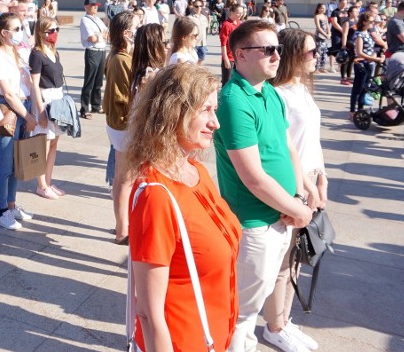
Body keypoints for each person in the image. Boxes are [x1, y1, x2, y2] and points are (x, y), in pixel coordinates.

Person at [213, 20, 316, 352]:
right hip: (254, 223)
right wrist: (296, 208)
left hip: (280, 214)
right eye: (268, 49)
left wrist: (301, 193)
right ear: (240, 55)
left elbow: (287, 147)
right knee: (241, 313)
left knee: (256, 303)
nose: (276, 56)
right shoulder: (233, 100)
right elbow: (253, 177)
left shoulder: (269, 91)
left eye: (278, 49)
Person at [128, 62, 242, 352]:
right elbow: (149, 314)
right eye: (205, 110)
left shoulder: (196, 171)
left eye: (214, 110)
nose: (215, 122)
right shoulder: (156, 196)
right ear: (173, 111)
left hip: (214, 335)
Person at [266, 28, 328, 352]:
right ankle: (275, 326)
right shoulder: (279, 95)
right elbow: (282, 150)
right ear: (291, 54)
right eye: (310, 52)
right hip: (293, 187)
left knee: (296, 259)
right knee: (283, 263)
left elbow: (312, 139)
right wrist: (302, 188)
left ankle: (283, 321)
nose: (316, 56)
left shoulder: (301, 88)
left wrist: (322, 176)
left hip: (310, 183)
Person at [0, 12, 37, 230]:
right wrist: (27, 117)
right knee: (6, 163)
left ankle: (11, 204)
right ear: (4, 33)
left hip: (23, 106)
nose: (20, 32)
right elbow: (7, 93)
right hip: (9, 111)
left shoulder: (16, 53)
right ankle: (1, 211)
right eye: (16, 29)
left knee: (18, 162)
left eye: (21, 28)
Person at [103, 11, 140, 245]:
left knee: (124, 178)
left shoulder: (124, 56)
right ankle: (121, 230)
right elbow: (120, 97)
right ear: (127, 33)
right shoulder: (119, 59)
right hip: (122, 123)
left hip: (122, 123)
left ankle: (123, 224)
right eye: (137, 27)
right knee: (123, 179)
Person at [29, 16, 65, 200]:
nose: (54, 33)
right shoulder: (36, 54)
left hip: (57, 99)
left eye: (56, 29)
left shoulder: (54, 51)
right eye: (50, 30)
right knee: (42, 143)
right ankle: (41, 185)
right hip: (44, 99)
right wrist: (40, 110)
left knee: (53, 143)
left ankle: (48, 182)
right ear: (41, 32)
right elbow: (34, 84)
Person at [350, 13, 384, 120]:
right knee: (358, 89)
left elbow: (371, 48)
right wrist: (375, 59)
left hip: (369, 64)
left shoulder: (368, 33)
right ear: (364, 22)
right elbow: (359, 52)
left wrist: (374, 55)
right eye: (371, 21)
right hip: (361, 65)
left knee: (365, 88)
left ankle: (360, 110)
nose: (373, 23)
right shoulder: (359, 34)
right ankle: (352, 111)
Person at [79, 0, 108, 119]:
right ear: (86, 7)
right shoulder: (85, 20)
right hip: (92, 51)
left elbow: (106, 33)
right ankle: (84, 109)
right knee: (89, 81)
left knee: (98, 81)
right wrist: (101, 36)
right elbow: (92, 38)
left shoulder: (98, 20)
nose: (95, 7)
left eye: (96, 5)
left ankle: (96, 105)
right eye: (92, 5)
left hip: (101, 51)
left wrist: (100, 36)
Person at [220, 4, 243, 84]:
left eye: (241, 13)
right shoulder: (226, 24)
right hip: (229, 58)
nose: (240, 15)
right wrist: (225, 58)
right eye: (238, 13)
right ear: (232, 12)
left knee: (236, 80)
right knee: (227, 81)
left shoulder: (239, 24)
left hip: (237, 57)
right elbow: (223, 43)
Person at [314, 3, 331, 73]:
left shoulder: (325, 16)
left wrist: (329, 33)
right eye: (322, 8)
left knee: (324, 52)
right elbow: (318, 27)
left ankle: (322, 67)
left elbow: (328, 26)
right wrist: (325, 34)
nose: (324, 9)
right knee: (319, 51)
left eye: (324, 8)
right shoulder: (317, 16)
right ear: (318, 9)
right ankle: (316, 68)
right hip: (319, 36)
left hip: (325, 36)